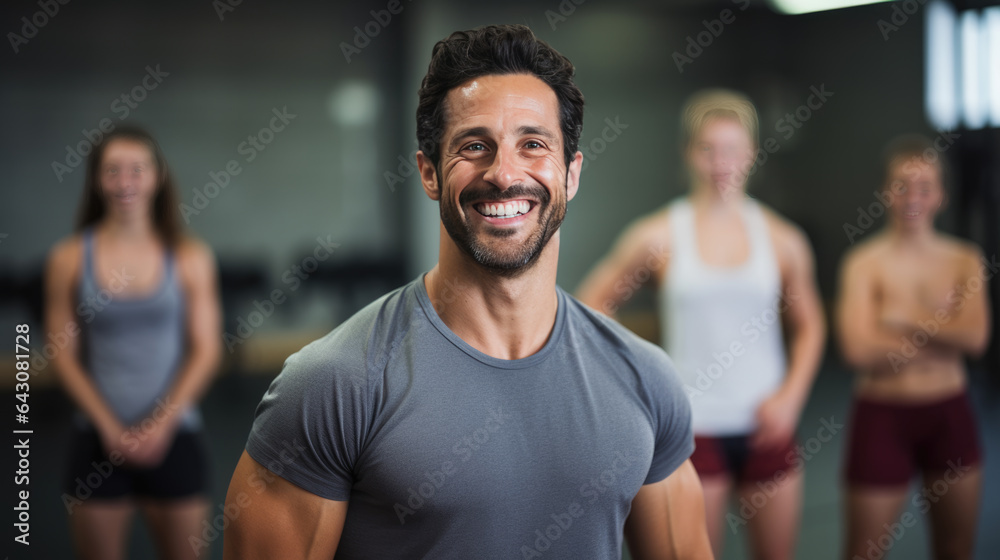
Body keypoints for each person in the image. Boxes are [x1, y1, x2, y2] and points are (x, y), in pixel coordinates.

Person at [224, 24, 711, 559]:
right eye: (475, 146)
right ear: (430, 173)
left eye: (533, 144)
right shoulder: (332, 386)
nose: (504, 174)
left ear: (571, 174)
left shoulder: (645, 379)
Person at [577, 89, 826, 560]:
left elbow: (811, 326)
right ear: (688, 154)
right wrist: (642, 384)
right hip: (692, 430)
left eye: (732, 149)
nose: (721, 162)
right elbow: (591, 308)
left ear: (752, 154)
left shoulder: (782, 238)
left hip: (767, 424)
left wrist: (791, 398)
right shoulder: (657, 235)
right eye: (707, 149)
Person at [45, 125, 222, 560]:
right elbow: (61, 353)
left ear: (157, 176)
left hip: (175, 433)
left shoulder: (189, 256)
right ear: (96, 180)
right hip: (97, 438)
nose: (125, 182)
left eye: (136, 170)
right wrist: (110, 428)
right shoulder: (69, 258)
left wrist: (158, 426)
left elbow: (206, 350)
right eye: (112, 171)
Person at [836, 135, 990, 560]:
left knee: (956, 548)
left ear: (940, 194)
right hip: (882, 416)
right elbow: (857, 350)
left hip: (949, 414)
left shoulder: (965, 260)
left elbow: (976, 339)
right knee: (862, 551)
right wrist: (943, 332)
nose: (912, 197)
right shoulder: (863, 263)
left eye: (924, 186)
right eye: (901, 185)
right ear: (885, 191)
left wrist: (901, 316)